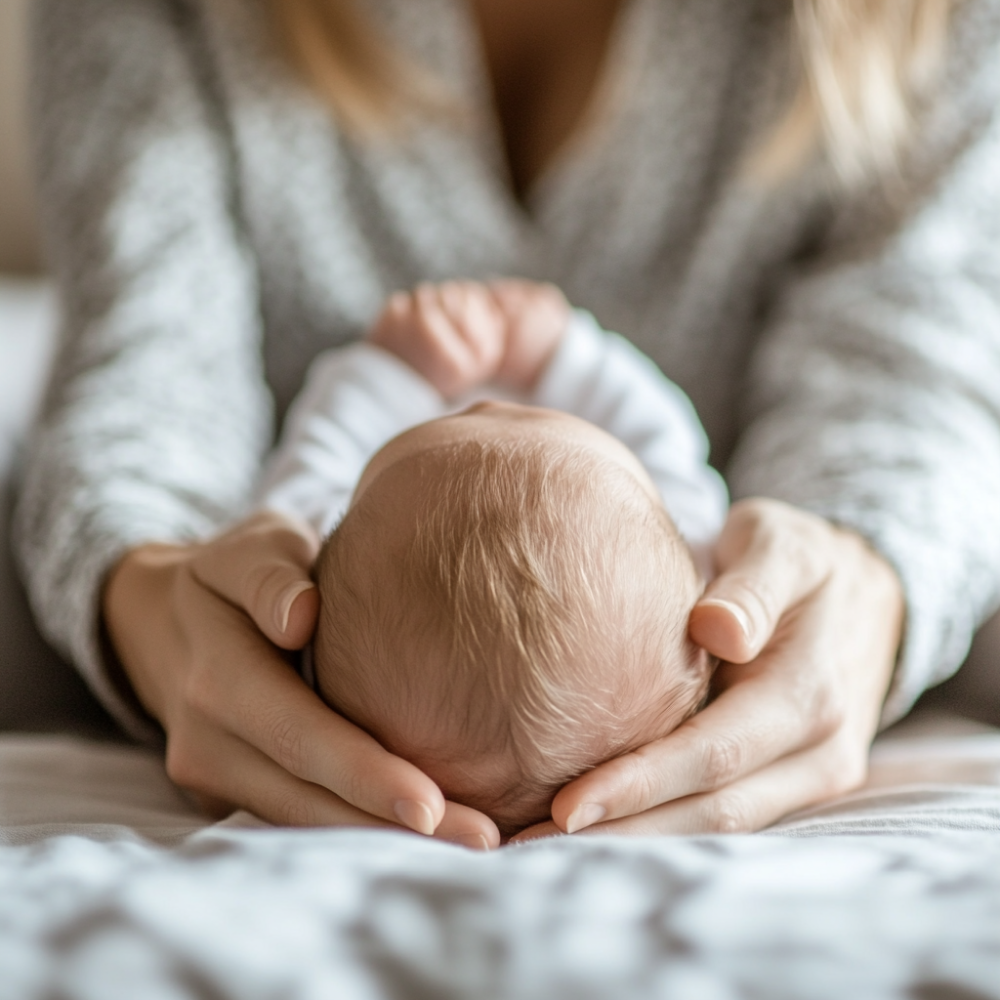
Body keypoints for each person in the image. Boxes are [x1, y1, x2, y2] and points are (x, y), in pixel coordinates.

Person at [17, 0, 1000, 849]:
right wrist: (145, 596)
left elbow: (912, 361)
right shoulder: (685, 507)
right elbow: (149, 355)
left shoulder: (320, 510)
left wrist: (869, 578)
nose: (493, 402)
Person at [256, 278, 726, 836]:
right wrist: (565, 356)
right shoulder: (690, 541)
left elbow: (321, 454)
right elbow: (661, 431)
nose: (490, 400)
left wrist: (393, 369)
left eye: (456, 420)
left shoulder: (305, 541)